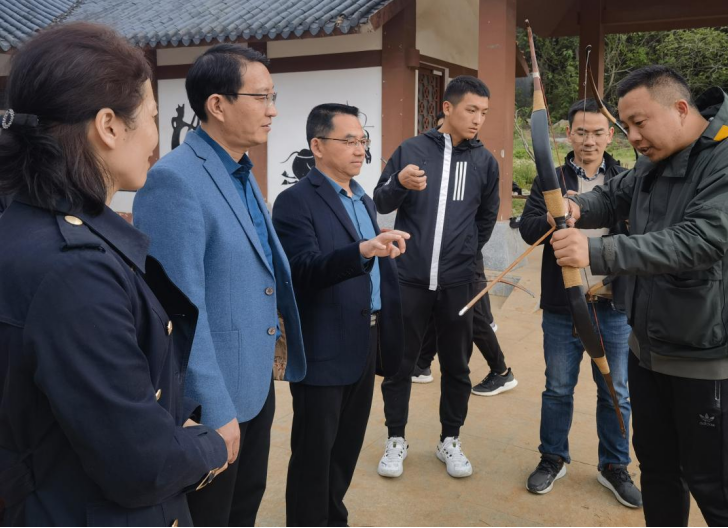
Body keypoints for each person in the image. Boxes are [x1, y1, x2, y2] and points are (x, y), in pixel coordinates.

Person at [0, 23, 227, 527]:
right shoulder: (74, 270)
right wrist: (211, 445)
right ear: (108, 126)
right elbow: (141, 464)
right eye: (151, 117)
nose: (155, 138)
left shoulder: (24, 227)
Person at [552, 66, 728, 527]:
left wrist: (597, 252)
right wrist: (577, 205)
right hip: (648, 351)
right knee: (658, 475)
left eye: (639, 123)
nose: (632, 137)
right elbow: (614, 196)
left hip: (709, 359)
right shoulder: (656, 156)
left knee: (720, 494)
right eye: (625, 126)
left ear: (679, 108)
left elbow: (700, 240)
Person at [134, 44, 306, 527]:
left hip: (253, 383)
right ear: (218, 104)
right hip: (214, 400)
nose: (273, 110)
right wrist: (211, 407)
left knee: (244, 506)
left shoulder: (239, 170)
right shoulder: (175, 181)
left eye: (274, 97)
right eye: (262, 97)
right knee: (212, 516)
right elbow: (179, 311)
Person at [273, 103, 406, 527]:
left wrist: (378, 244)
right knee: (314, 454)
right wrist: (363, 249)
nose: (359, 149)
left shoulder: (361, 197)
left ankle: (334, 517)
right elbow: (303, 269)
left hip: (365, 339)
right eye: (348, 141)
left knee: (346, 448)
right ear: (317, 146)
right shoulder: (295, 202)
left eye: (362, 140)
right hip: (324, 346)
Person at [373, 76, 499, 479]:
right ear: (447, 108)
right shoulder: (412, 150)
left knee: (457, 366)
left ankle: (450, 440)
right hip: (408, 277)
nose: (478, 119)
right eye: (471, 110)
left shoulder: (484, 162)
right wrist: (399, 183)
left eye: (483, 112)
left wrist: (463, 253)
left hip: (458, 282)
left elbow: (486, 218)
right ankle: (396, 439)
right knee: (400, 364)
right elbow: (381, 200)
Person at [519, 98, 641, 508]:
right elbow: (528, 228)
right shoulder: (550, 178)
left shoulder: (625, 179)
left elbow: (639, 237)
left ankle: (615, 465)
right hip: (563, 303)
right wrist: (551, 217)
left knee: (616, 389)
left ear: (611, 136)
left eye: (598, 132)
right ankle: (552, 457)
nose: (589, 141)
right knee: (557, 388)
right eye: (581, 132)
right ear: (567, 134)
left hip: (612, 304)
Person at [413, 251, 518, 397]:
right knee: (439, 308)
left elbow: (481, 235)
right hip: (447, 261)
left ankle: (501, 372)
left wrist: (467, 249)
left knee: (472, 317)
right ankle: (422, 364)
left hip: (464, 263)